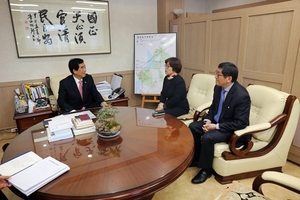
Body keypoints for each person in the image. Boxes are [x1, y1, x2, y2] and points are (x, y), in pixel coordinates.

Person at [188, 62, 251, 184]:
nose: (215, 77)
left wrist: (216, 126)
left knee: (208, 137)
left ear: (229, 78)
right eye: (216, 73)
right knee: (193, 127)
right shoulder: (218, 87)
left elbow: (240, 123)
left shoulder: (241, 96)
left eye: (218, 74)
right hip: (216, 122)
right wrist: (207, 121)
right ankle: (196, 159)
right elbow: (213, 107)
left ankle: (206, 170)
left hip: (231, 129)